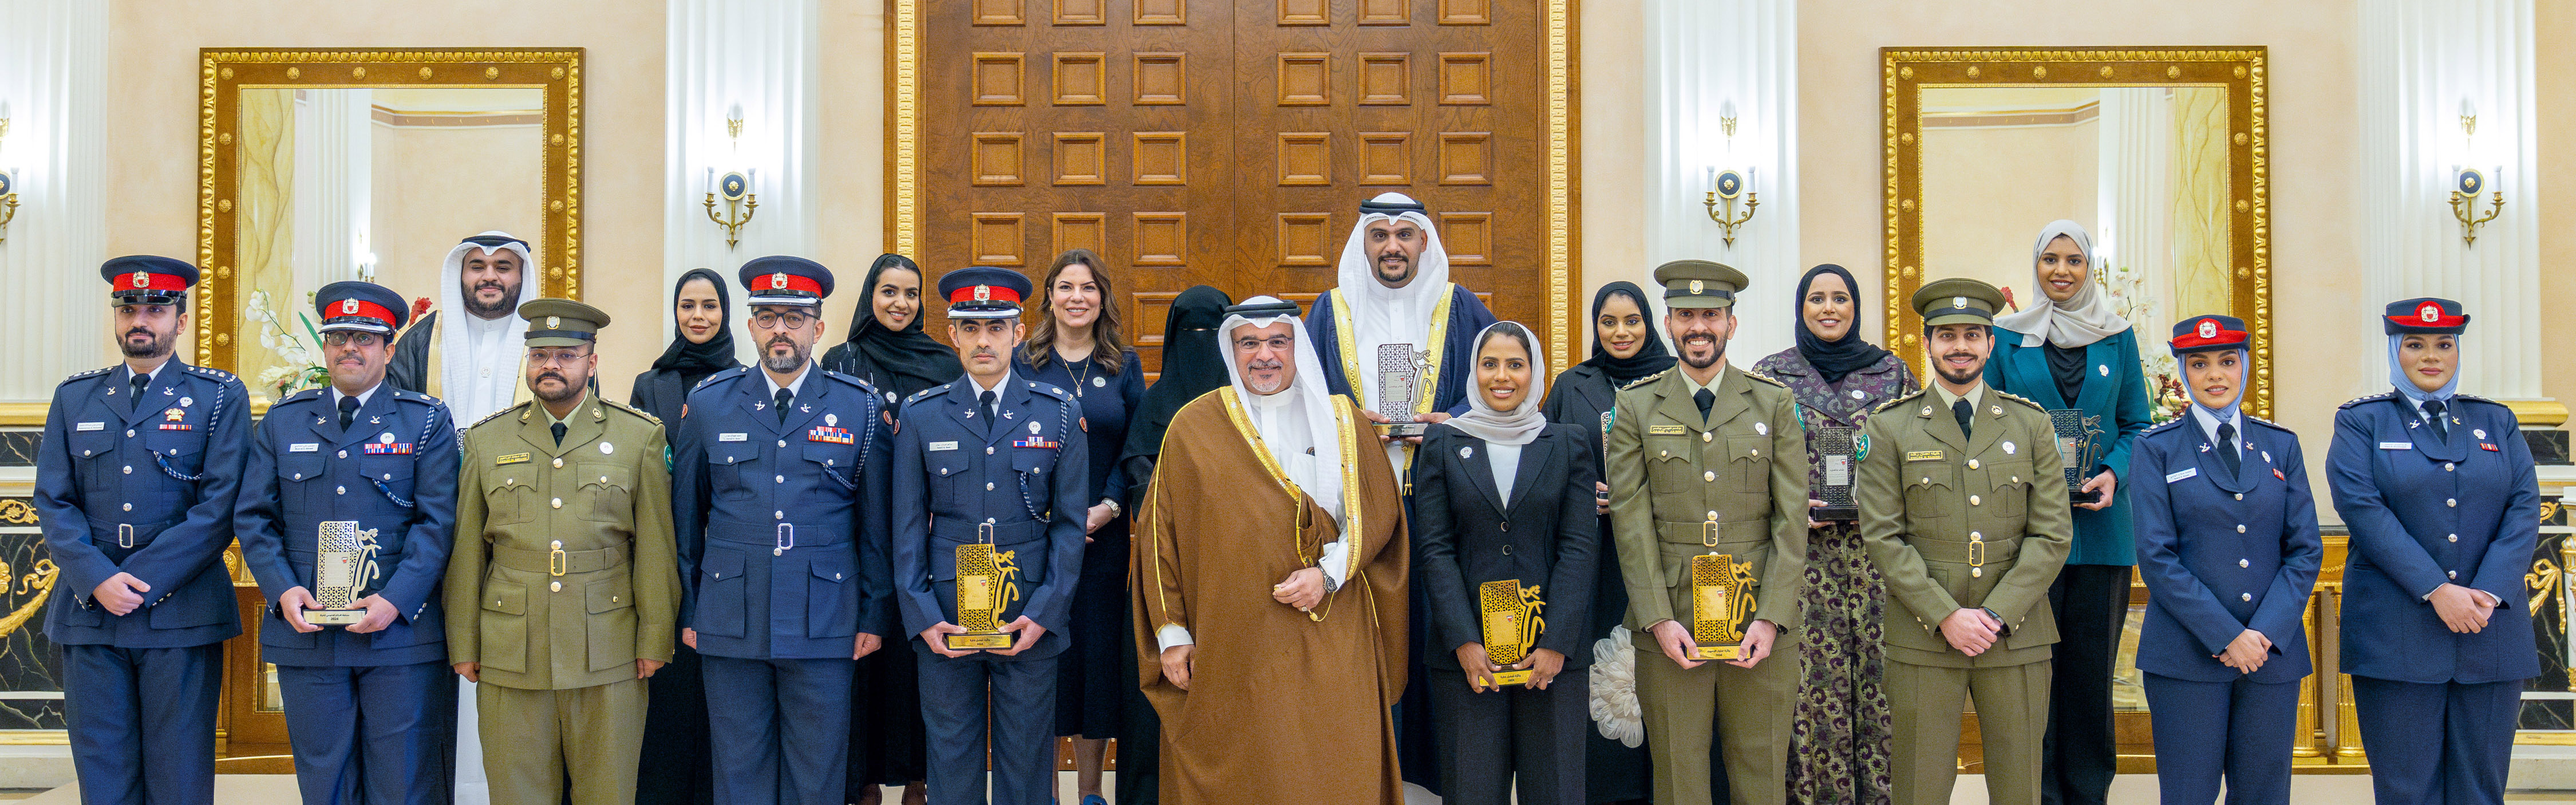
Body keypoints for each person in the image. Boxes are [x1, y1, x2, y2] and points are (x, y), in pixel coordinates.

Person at [1132, 296, 1408, 804]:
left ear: (1297, 347)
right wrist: (1171, 634)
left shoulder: (1342, 422)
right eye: (1249, 343)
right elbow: (1157, 536)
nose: (1265, 355)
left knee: (1330, 768)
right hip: (1230, 643)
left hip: (1329, 628)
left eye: (1278, 341)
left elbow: (1378, 515)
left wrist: (1327, 575)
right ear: (1230, 349)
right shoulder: (1193, 427)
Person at [674, 256, 896, 805]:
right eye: (768, 316)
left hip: (826, 614)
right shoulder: (709, 404)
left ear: (818, 328)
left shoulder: (859, 407)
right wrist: (690, 610)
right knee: (739, 769)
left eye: (795, 318)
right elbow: (684, 520)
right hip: (730, 614)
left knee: (818, 772)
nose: (781, 329)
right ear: (749, 327)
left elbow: (876, 527)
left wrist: (873, 613)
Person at [442, 299, 678, 805]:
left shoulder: (639, 436)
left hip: (609, 648)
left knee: (608, 792)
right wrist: (463, 641)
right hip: (511, 646)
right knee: (517, 791)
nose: (551, 365)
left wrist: (655, 636)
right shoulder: (487, 440)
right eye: (540, 354)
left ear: (592, 362)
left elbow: (655, 546)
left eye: (567, 355)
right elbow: (467, 550)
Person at [235, 281, 460, 804]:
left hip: (399, 635)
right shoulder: (285, 419)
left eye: (365, 337)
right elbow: (254, 518)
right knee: (324, 780)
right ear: (326, 345)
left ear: (389, 348)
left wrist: (395, 600)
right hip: (308, 630)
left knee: (402, 782)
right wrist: (282, 590)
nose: (349, 348)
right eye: (338, 337)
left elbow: (438, 524)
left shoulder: (425, 420)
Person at [35, 257, 250, 805]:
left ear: (181, 321)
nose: (141, 320)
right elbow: (54, 500)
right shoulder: (76, 396)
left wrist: (144, 580)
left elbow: (220, 505)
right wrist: (97, 577)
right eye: (129, 308)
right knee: (102, 765)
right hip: (91, 609)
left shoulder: (219, 396)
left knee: (178, 769)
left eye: (156, 309)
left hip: (180, 610)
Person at [1859, 278, 2073, 805]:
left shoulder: (2030, 424)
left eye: (1973, 335)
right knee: (1918, 786)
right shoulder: (1891, 428)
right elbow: (1883, 535)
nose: (1960, 346)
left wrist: (1997, 614)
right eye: (1947, 335)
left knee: (2020, 785)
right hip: (1924, 632)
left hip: (2016, 633)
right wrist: (1947, 615)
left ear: (1991, 343)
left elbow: (2052, 534)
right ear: (1926, 344)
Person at [1603, 260, 1805, 805]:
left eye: (1711, 315)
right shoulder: (1636, 405)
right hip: (1671, 620)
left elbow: (1791, 522)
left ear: (1731, 324)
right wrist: (1658, 619)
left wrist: (1772, 616)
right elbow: (1631, 520)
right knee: (1678, 777)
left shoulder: (1773, 402)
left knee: (1761, 771)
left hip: (1760, 622)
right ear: (1668, 323)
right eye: (1686, 315)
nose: (1700, 327)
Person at [2326, 298, 2538, 805]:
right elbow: (2364, 511)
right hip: (2398, 636)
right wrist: (2438, 590)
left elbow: (2524, 508)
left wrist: (2485, 591)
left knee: (2481, 791)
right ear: (2395, 350)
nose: (2431, 356)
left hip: (2490, 633)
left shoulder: (2497, 422)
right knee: (2407, 791)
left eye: (2444, 344)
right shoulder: (2363, 422)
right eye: (2415, 345)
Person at [891, 266, 1089, 805]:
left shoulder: (1059, 413)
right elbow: (905, 528)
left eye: (997, 327)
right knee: (951, 759)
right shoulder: (922, 414)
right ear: (951, 335)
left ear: (1019, 333)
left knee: (1025, 761)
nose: (984, 340)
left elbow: (1071, 530)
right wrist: (923, 615)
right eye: (971, 327)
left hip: (1026, 609)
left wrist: (1046, 611)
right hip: (947, 607)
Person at [1982, 221, 2147, 805]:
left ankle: (2088, 792)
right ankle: (2038, 792)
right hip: (2029, 538)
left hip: (2103, 534)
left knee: (2090, 676)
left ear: (2089, 268)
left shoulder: (2117, 335)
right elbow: (1991, 429)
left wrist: (2113, 472)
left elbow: (2137, 424)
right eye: (2050, 259)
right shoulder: (2008, 338)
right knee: (2033, 676)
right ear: (2036, 265)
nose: (2061, 270)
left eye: (2073, 260)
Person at [2127, 314, 2320, 805]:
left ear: (2245, 366)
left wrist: (2261, 635)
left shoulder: (2281, 445)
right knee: (2189, 794)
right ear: (2183, 372)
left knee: (2264, 795)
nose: (2215, 374)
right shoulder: (2157, 449)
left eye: (2227, 361)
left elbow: (2304, 550)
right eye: (2199, 363)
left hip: (2270, 656)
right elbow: (2156, 556)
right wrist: (2227, 635)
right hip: (2186, 657)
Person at [1415, 321, 1599, 804]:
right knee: (1472, 792)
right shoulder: (1442, 443)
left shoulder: (1568, 442)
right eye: (1490, 364)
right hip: (1468, 658)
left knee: (1555, 792)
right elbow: (1434, 548)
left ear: (1534, 372)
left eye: (1516, 364)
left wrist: (1557, 642)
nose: (1502, 376)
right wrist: (1464, 641)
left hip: (1553, 657)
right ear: (1474, 371)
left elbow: (1579, 548)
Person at [1749, 265, 1911, 805]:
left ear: (1856, 307)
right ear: (1800, 308)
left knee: (1882, 690)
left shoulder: (1893, 374)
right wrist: (1791, 508)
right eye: (1816, 298)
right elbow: (1750, 469)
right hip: (1802, 562)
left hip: (1879, 562)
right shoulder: (1769, 376)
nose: (1828, 308)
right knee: (1808, 696)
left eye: (1840, 298)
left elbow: (1919, 459)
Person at [1013, 250, 1147, 805]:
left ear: (1102, 298)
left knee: (1095, 662)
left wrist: (1110, 506)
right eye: (1065, 286)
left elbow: (1136, 446)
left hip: (1104, 537)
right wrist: (1051, 514)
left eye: (1087, 288)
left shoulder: (1123, 365)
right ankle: (1044, 791)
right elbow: (1009, 443)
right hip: (1036, 534)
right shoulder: (1025, 362)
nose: (1076, 297)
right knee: (1045, 660)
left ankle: (1091, 791)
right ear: (1049, 297)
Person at [821, 253, 954, 805]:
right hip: (859, 541)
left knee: (923, 662)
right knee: (865, 660)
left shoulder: (946, 363)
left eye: (911, 293)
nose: (901, 303)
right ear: (869, 297)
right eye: (889, 292)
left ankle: (921, 781)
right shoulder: (842, 359)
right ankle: (866, 782)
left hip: (930, 540)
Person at [1538, 281, 1674, 805]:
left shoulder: (1674, 380)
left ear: (1650, 324)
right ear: (1595, 327)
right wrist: (1577, 492)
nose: (1621, 332)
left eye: (1632, 320)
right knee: (1600, 679)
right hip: (1592, 559)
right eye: (1608, 322)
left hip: (1661, 556)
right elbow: (1542, 463)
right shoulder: (1573, 385)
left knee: (1662, 678)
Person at [1106, 284, 1232, 805]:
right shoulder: (1157, 402)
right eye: (1190, 333)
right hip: (1165, 568)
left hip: (1234, 572)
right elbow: (1136, 467)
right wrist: (1173, 497)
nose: (1200, 345)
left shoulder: (1247, 402)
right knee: (1158, 688)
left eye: (1211, 333)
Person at [626, 269, 734, 805]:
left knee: (722, 696)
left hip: (726, 553)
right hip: (663, 550)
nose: (698, 316)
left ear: (725, 313)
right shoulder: (652, 384)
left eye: (710, 306)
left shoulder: (744, 378)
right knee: (668, 689)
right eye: (688, 305)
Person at [1303, 191, 1499, 462]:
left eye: (1405, 235)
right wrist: (1345, 419)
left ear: (1424, 241)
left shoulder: (1460, 305)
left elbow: (1498, 381)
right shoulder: (1331, 310)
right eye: (1380, 236)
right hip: (1358, 469)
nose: (1392, 247)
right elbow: (1305, 387)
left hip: (1440, 471)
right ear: (1363, 242)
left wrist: (1455, 419)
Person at [390, 231, 544, 424]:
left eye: (503, 268)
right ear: (460, 275)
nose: (489, 277)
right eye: (478, 267)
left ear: (523, 276)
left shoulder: (548, 341)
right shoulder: (421, 339)